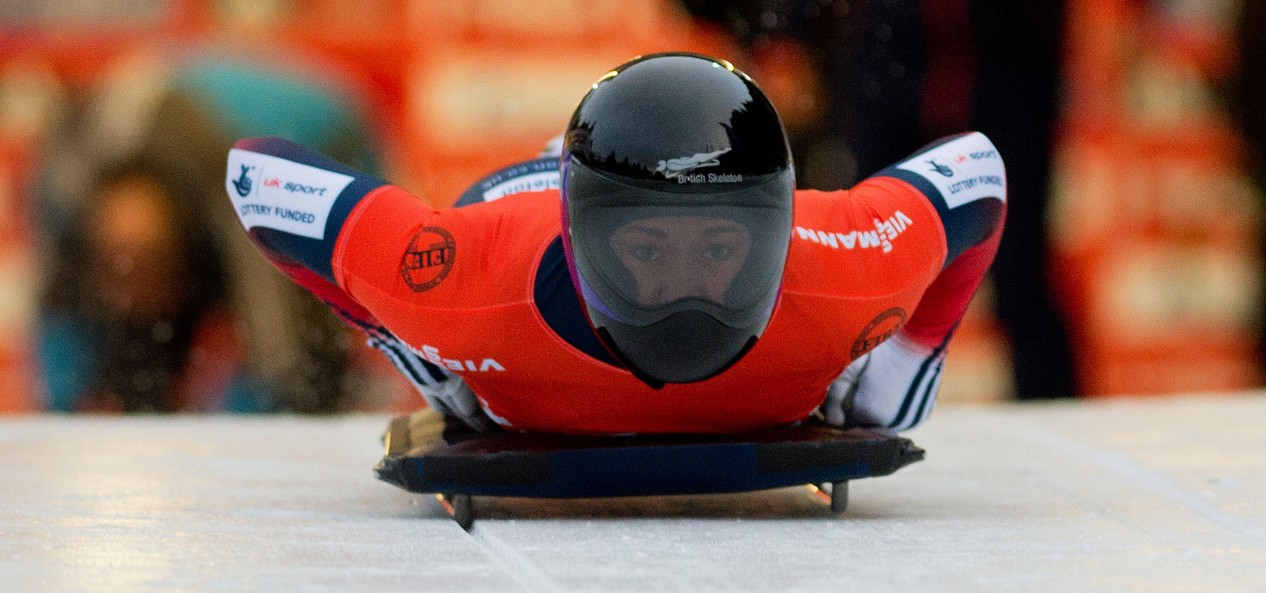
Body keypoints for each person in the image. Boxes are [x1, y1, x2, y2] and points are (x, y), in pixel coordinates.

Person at [224, 53, 1005, 435]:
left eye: (719, 249)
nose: (682, 290)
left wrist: (908, 355)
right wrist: (407, 335)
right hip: (514, 202)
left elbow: (981, 170)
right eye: (647, 250)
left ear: (774, 227)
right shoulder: (465, 285)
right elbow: (254, 174)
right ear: (582, 233)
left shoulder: (844, 263)